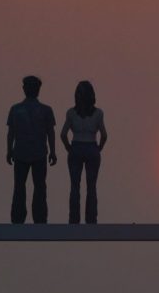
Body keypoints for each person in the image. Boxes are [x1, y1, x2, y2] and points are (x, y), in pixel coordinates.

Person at [6, 75, 57, 224]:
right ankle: (39, 218)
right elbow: (50, 133)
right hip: (35, 153)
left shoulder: (16, 109)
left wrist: (9, 150)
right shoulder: (45, 110)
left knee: (22, 187)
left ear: (24, 89)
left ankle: (18, 218)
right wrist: (53, 151)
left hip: (26, 153)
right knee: (38, 187)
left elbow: (11, 133)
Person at [60, 80, 108, 224]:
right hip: (92, 146)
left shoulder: (71, 113)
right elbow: (104, 135)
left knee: (75, 185)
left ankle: (74, 218)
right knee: (91, 186)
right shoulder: (98, 113)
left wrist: (68, 147)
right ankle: (91, 219)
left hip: (76, 147)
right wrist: (99, 147)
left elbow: (63, 134)